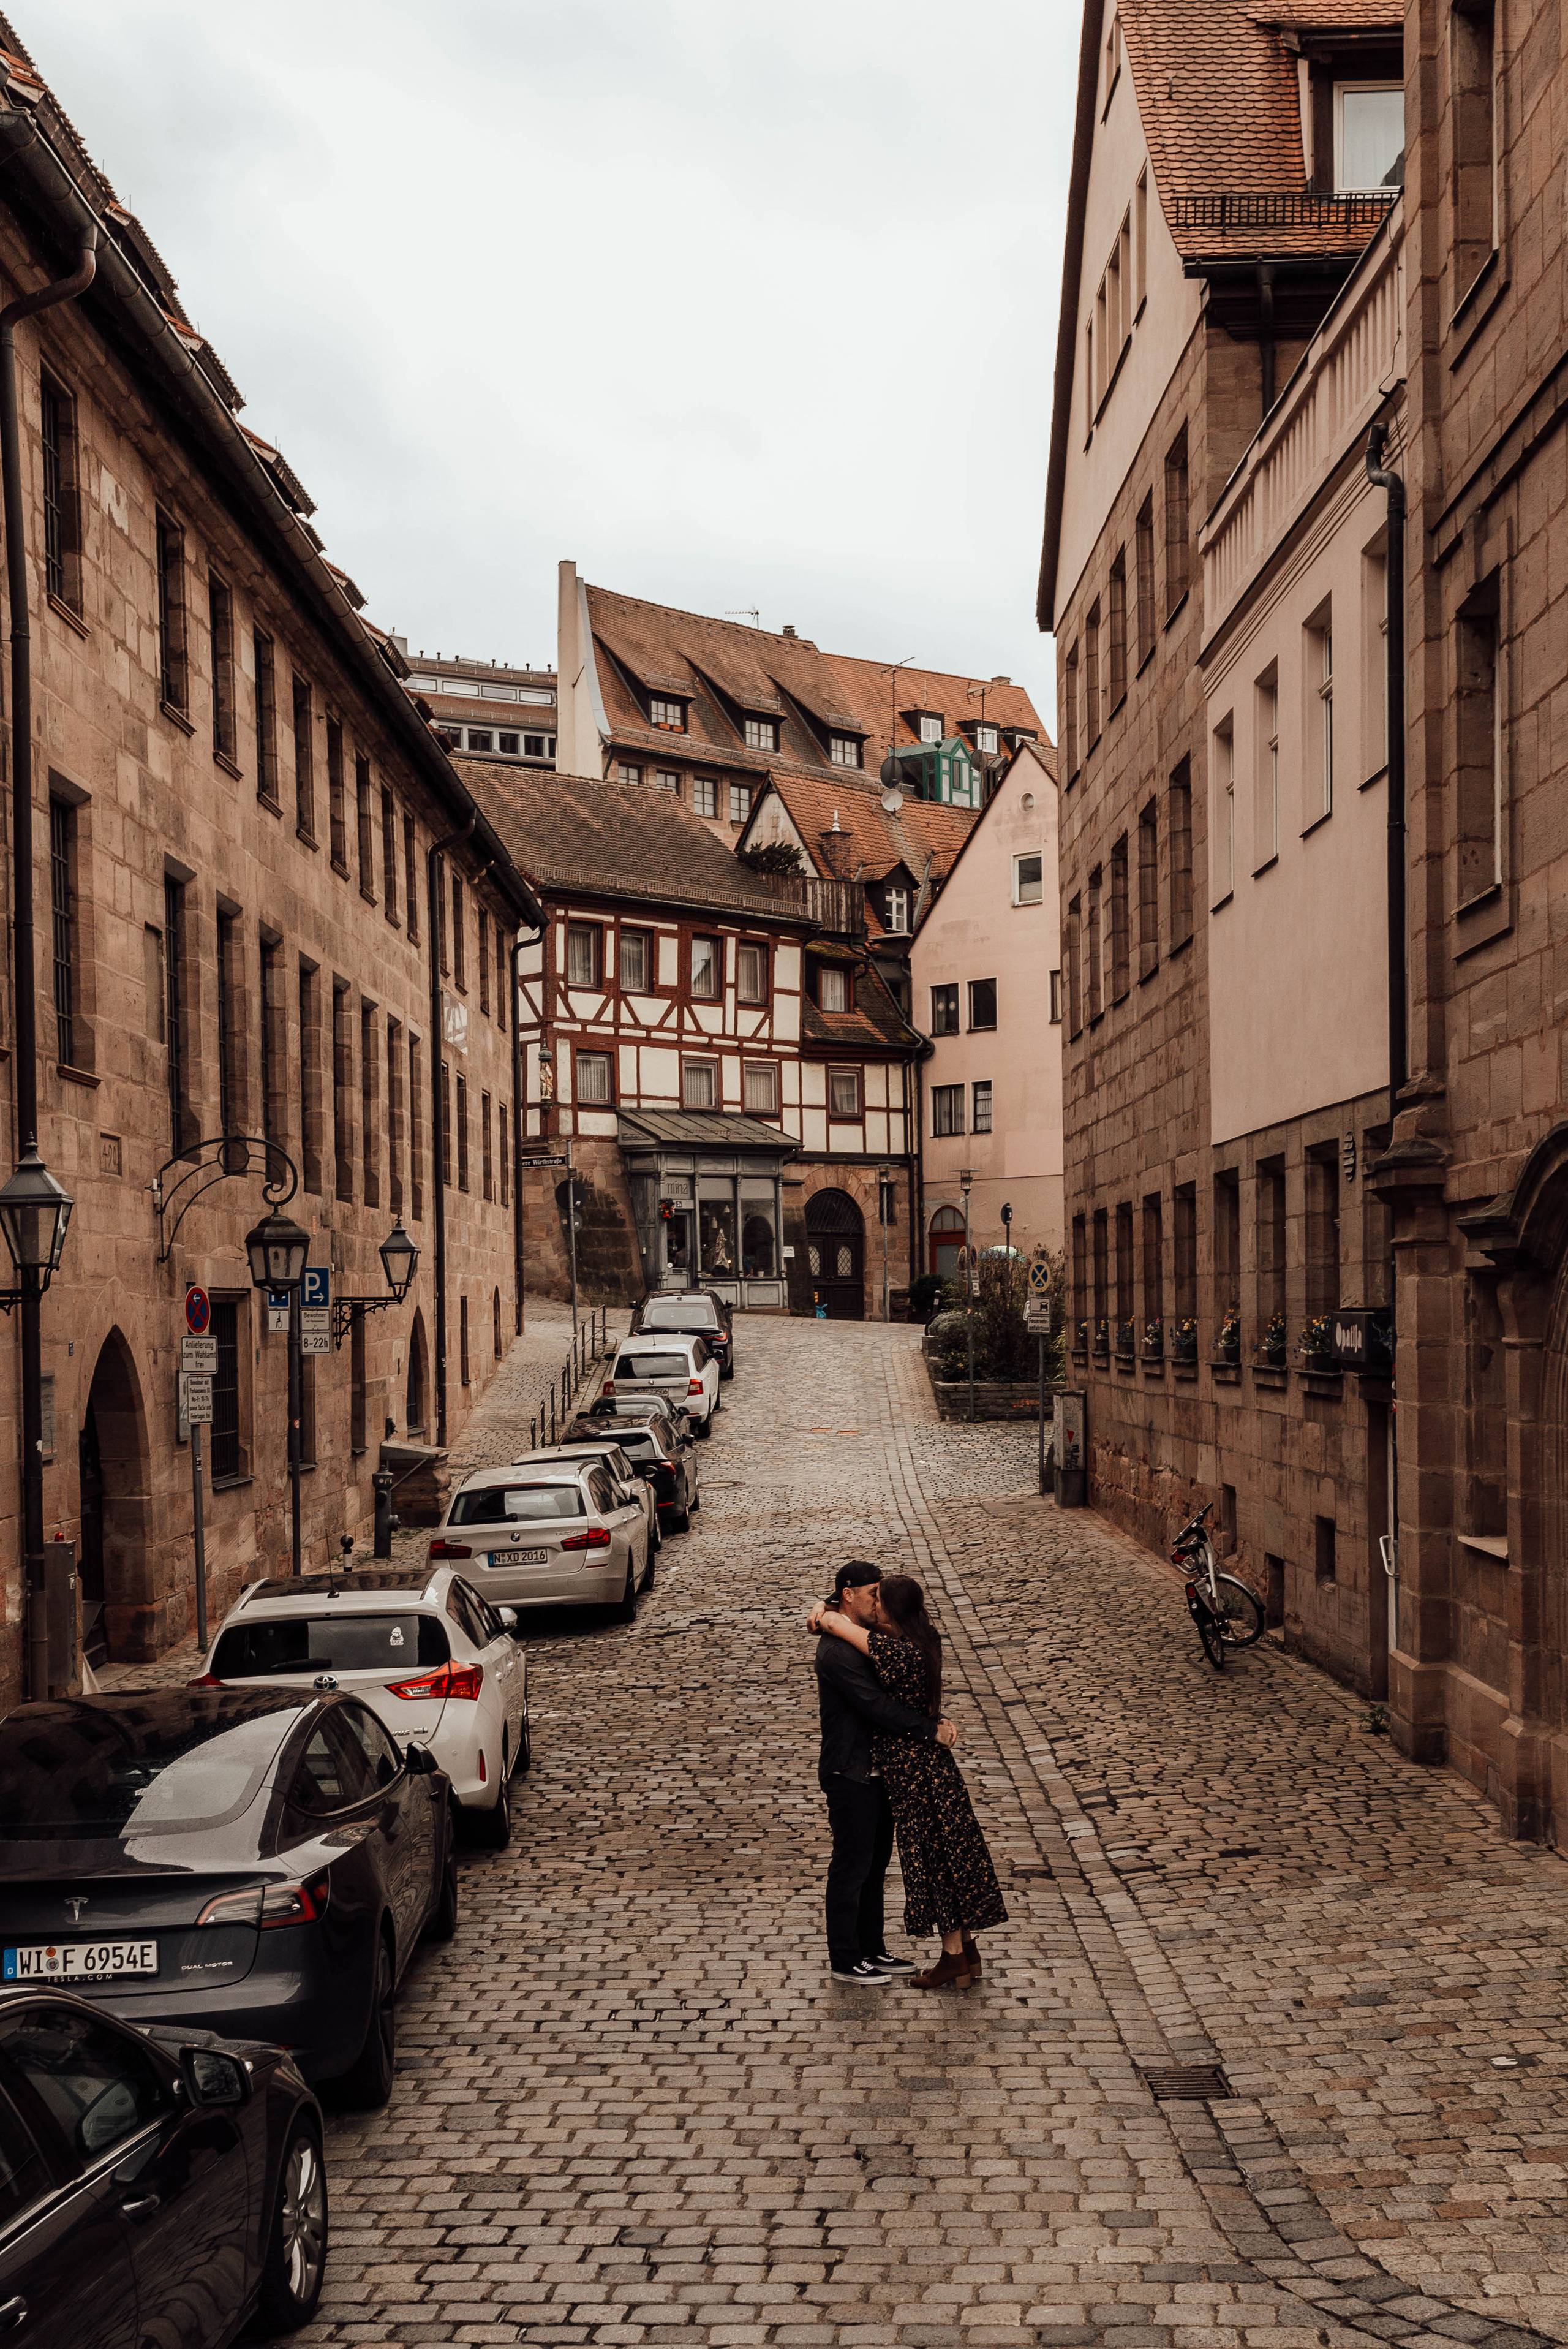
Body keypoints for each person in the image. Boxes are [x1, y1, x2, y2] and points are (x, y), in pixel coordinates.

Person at [809, 1572, 1006, 1990]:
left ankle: (873, 1947)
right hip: (854, 1772)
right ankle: (847, 1957)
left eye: (882, 1597)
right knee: (855, 1866)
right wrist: (929, 1727)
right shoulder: (856, 1650)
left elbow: (843, 1626)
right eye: (871, 1595)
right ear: (850, 1596)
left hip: (897, 1772)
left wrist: (825, 1613)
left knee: (885, 1863)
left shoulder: (886, 1644)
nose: (877, 1603)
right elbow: (876, 1706)